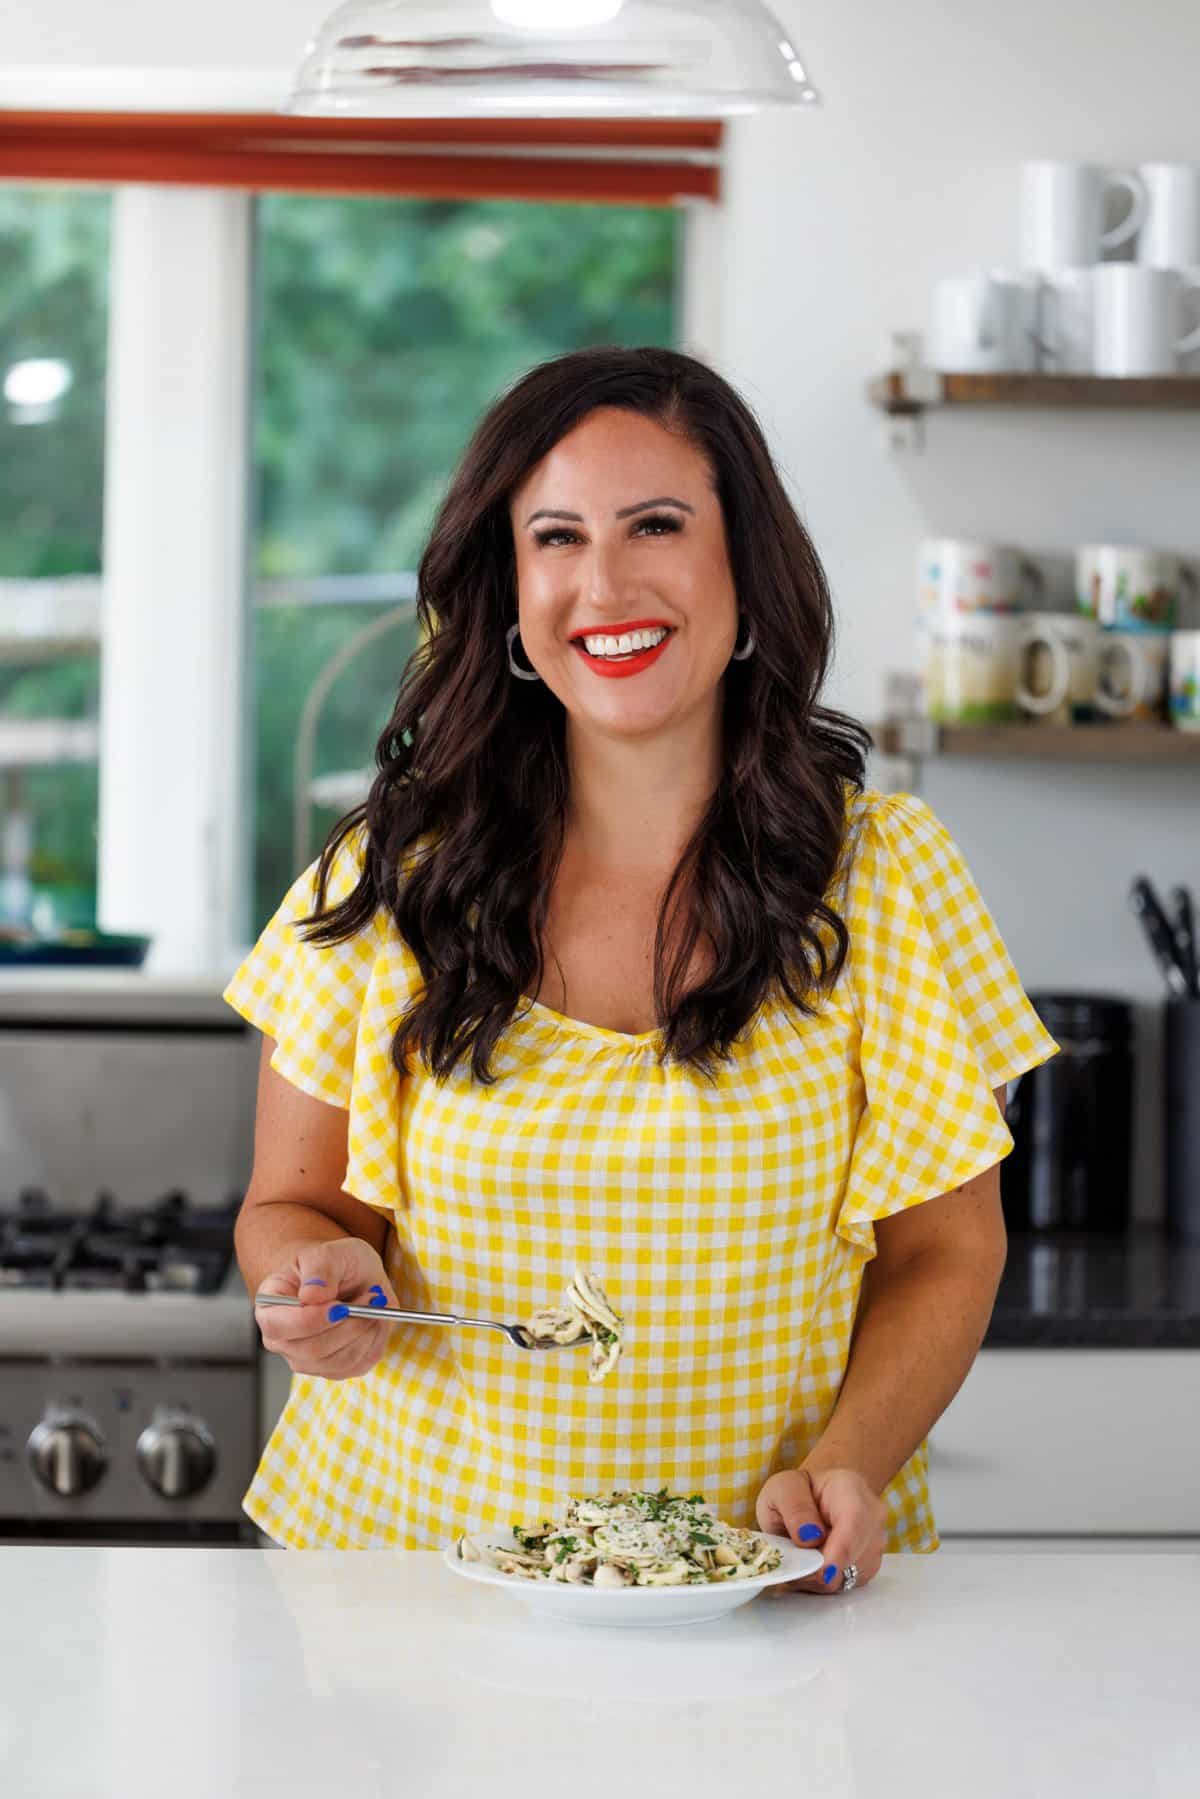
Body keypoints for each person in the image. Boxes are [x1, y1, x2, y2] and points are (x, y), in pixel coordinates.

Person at [225, 345, 1058, 1595]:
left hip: (760, 1588)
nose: (604, 583)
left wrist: (852, 1458)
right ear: (511, 590)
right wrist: (310, 1275)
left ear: (746, 565)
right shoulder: (391, 878)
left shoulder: (888, 877)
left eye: (655, 525)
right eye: (556, 537)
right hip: (398, 1587)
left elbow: (946, 1248)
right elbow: (292, 1208)